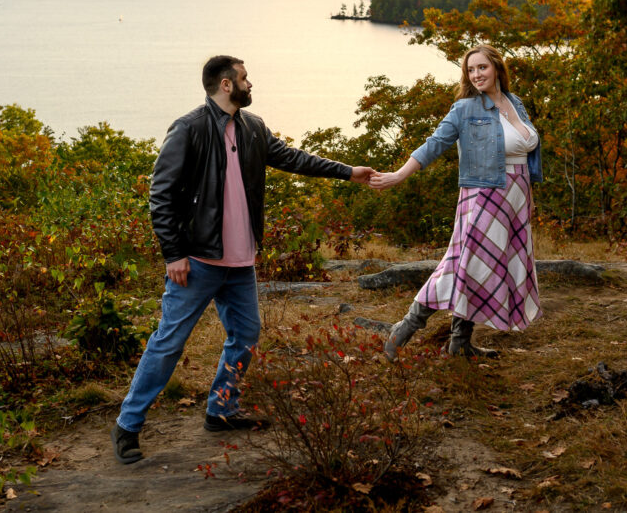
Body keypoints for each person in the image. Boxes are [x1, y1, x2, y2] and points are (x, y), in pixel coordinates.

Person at [111, 55, 373, 464]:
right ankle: (128, 425)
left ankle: (221, 410)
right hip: (197, 261)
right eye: (246, 78)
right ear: (227, 85)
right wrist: (174, 254)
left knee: (247, 337)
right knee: (168, 344)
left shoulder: (253, 128)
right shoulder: (189, 128)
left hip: (240, 262)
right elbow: (160, 197)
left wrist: (347, 171)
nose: (252, 85)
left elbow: (294, 158)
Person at [370, 44, 543, 359]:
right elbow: (434, 144)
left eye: (482, 68)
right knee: (462, 266)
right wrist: (399, 174)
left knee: (480, 268)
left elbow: (525, 155)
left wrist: (528, 197)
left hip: (514, 198)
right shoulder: (465, 109)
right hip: (485, 195)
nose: (476, 75)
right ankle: (405, 327)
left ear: (497, 69)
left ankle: (460, 343)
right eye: (471, 70)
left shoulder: (516, 104)